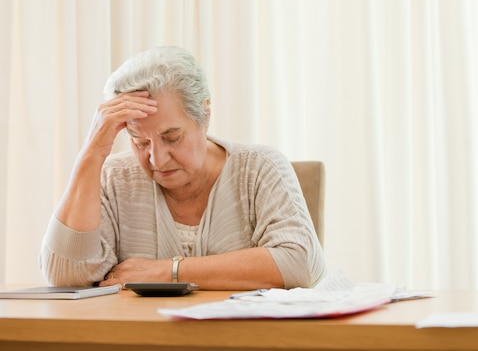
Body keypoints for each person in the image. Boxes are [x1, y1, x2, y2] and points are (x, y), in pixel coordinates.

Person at [40, 46, 326, 290]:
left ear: (205, 115)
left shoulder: (260, 168)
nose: (157, 159)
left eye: (172, 138)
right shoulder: (114, 177)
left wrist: (168, 272)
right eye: (139, 142)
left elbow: (298, 264)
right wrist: (92, 154)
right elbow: (64, 276)